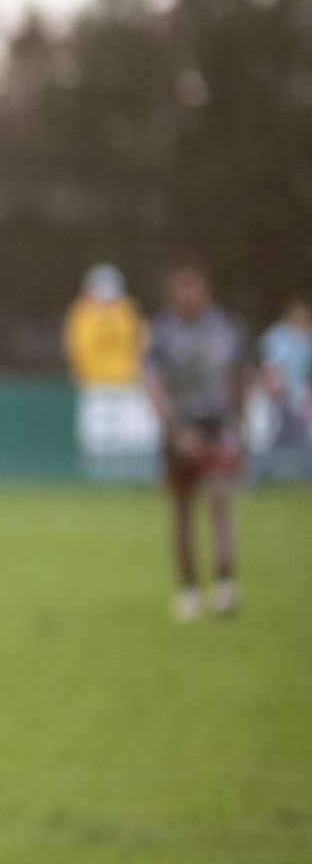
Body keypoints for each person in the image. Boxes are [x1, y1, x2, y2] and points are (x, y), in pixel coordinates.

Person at [142, 255, 249, 621]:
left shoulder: (226, 327)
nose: (188, 293)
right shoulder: (160, 331)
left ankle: (224, 584)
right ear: (171, 291)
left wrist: (240, 426)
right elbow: (153, 384)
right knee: (183, 511)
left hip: (218, 424)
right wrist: (175, 431)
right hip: (180, 429)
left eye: (194, 285)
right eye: (181, 286)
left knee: (221, 500)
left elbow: (238, 378)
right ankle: (188, 589)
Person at [251, 293, 312, 483]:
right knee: (270, 438)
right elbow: (270, 365)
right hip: (281, 395)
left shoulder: (307, 336)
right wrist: (274, 390)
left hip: (300, 396)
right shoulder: (278, 336)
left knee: (304, 438)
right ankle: (255, 477)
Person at [62, 263, 145, 385]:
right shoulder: (81, 312)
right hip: (94, 382)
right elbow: (76, 345)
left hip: (128, 381)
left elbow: (140, 340)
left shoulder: (128, 308)